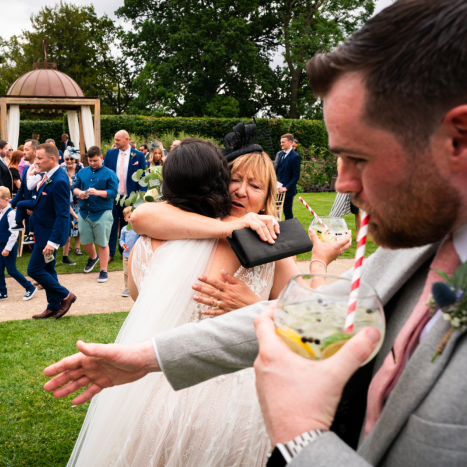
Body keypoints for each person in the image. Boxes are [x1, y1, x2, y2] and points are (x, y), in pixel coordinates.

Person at [43, 1, 467, 465]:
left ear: (459, 139)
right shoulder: (415, 243)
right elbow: (315, 318)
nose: (342, 184)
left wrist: (302, 437)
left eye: (358, 158)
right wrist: (149, 356)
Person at [62, 139, 294, 466]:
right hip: (167, 388)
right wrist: (229, 227)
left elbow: (302, 327)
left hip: (216, 397)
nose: (241, 191)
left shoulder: (273, 245)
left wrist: (253, 305)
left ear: (269, 196)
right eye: (234, 180)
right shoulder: (202, 232)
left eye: (255, 185)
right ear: (217, 184)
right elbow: (143, 216)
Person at [27, 143, 77, 319]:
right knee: (49, 270)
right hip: (42, 231)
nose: (36, 161)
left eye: (40, 158)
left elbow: (63, 215)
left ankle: (65, 295)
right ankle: (53, 306)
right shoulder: (48, 176)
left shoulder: (60, 180)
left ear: (52, 159)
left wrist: (52, 242)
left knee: (33, 270)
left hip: (49, 236)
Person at [73, 146, 119, 282]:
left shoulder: (110, 173)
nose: (92, 163)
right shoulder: (82, 172)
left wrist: (98, 192)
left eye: (95, 160)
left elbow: (113, 193)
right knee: (85, 242)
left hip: (102, 211)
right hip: (84, 212)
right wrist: (79, 193)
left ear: (101, 158)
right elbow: (74, 187)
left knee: (102, 243)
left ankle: (103, 270)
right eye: (90, 160)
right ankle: (94, 257)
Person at [0, 186, 37, 303]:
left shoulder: (11, 214)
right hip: (0, 245)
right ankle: (2, 292)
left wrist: (7, 248)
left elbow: (14, 233)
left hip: (8, 246)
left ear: (7, 200)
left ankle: (29, 287)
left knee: (11, 270)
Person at [104, 130, 147, 260]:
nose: (115, 142)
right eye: (115, 139)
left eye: (117, 140)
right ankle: (110, 253)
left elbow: (143, 176)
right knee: (111, 225)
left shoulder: (138, 156)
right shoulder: (110, 154)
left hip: (131, 197)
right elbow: (105, 173)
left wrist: (141, 195)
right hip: (113, 196)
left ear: (126, 139)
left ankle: (125, 251)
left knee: (128, 224)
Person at [10, 139, 40, 237]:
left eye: (26, 150)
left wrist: (35, 208)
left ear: (35, 152)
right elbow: (21, 191)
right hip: (27, 212)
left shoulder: (42, 169)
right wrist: (10, 205)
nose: (23, 152)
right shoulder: (27, 168)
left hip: (38, 214)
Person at [62, 150, 83, 263]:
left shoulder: (80, 169)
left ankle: (77, 246)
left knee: (78, 223)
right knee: (69, 223)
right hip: (67, 200)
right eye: (67, 159)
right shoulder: (62, 170)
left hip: (78, 200)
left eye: (71, 159)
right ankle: (68, 246)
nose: (69, 161)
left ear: (75, 159)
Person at [275, 133, 300, 220]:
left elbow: (296, 176)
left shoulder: (295, 157)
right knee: (275, 211)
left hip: (287, 191)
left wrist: (285, 188)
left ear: (290, 142)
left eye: (283, 142)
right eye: (281, 142)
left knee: (287, 212)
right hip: (277, 189)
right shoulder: (280, 154)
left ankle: (290, 231)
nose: (281, 144)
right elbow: (277, 170)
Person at [118, 206, 139, 297]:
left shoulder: (138, 229)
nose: (132, 218)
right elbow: (121, 239)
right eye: (129, 217)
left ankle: (138, 288)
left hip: (136, 255)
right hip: (126, 255)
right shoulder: (124, 229)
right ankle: (127, 288)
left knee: (137, 271)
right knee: (126, 272)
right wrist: (123, 245)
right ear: (125, 219)